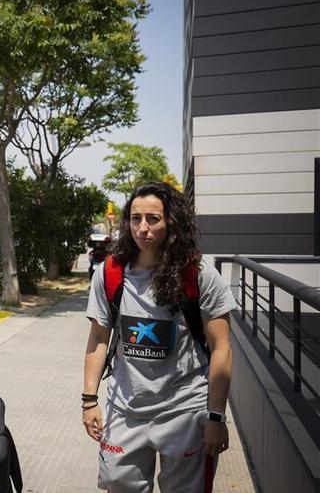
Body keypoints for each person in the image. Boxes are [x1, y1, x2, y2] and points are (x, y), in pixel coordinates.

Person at [82, 181, 237, 492]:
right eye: (135, 218)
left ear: (172, 222)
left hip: (184, 411)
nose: (143, 228)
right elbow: (99, 338)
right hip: (125, 409)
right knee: (118, 484)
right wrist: (89, 400)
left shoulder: (198, 275)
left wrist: (216, 418)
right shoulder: (111, 273)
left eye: (153, 219)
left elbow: (222, 349)